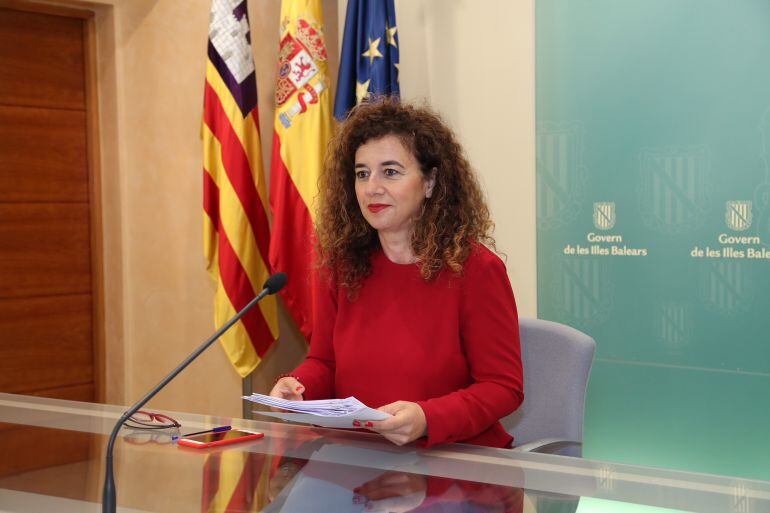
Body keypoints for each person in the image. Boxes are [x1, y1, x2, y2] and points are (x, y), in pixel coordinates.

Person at [269, 98, 523, 448]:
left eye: (390, 172)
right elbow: (325, 362)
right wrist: (297, 386)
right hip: (360, 463)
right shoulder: (341, 264)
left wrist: (427, 418)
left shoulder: (476, 270)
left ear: (430, 182)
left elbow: (503, 388)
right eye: (362, 173)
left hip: (453, 463)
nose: (372, 187)